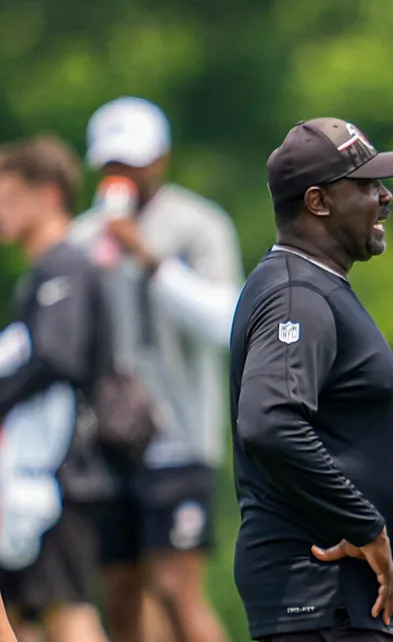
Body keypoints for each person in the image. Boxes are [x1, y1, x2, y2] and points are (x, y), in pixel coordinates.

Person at [229, 118, 393, 642]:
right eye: (367, 185)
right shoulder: (297, 295)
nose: (385, 197)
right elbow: (269, 421)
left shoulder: (313, 287)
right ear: (318, 202)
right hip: (328, 602)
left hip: (348, 606)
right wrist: (364, 524)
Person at [69, 96, 242, 642]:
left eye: (132, 162)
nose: (122, 175)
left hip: (181, 436)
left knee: (172, 586)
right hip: (105, 442)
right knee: (120, 591)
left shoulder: (198, 224)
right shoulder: (80, 239)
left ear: (160, 160)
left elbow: (225, 322)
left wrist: (148, 260)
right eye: (112, 165)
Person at [0, 136, 112, 642]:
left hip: (63, 472)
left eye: (8, 198)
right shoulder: (44, 271)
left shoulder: (65, 265)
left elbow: (57, 356)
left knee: (67, 608)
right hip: (35, 474)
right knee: (25, 613)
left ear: (47, 196)